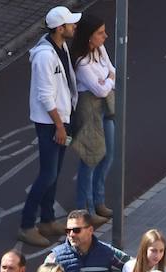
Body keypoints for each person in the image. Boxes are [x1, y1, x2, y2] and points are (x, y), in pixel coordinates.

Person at [17, 6, 81, 247]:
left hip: (64, 119)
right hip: (50, 124)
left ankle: (47, 220)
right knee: (47, 174)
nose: (74, 26)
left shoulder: (60, 46)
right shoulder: (45, 56)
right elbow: (45, 96)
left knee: (54, 173)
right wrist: (59, 126)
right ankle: (26, 224)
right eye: (70, 24)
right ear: (59, 28)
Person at [70, 14, 116, 226]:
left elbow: (113, 72)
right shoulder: (81, 62)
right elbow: (99, 89)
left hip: (105, 108)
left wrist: (106, 80)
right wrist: (107, 81)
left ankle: (98, 201)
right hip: (89, 111)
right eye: (100, 33)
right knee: (90, 159)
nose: (105, 36)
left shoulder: (100, 50)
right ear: (89, 37)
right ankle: (84, 210)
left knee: (108, 154)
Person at [45, 209, 129, 272]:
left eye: (76, 230)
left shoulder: (106, 251)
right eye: (68, 231)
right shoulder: (56, 256)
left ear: (90, 230)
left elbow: (133, 265)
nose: (71, 235)